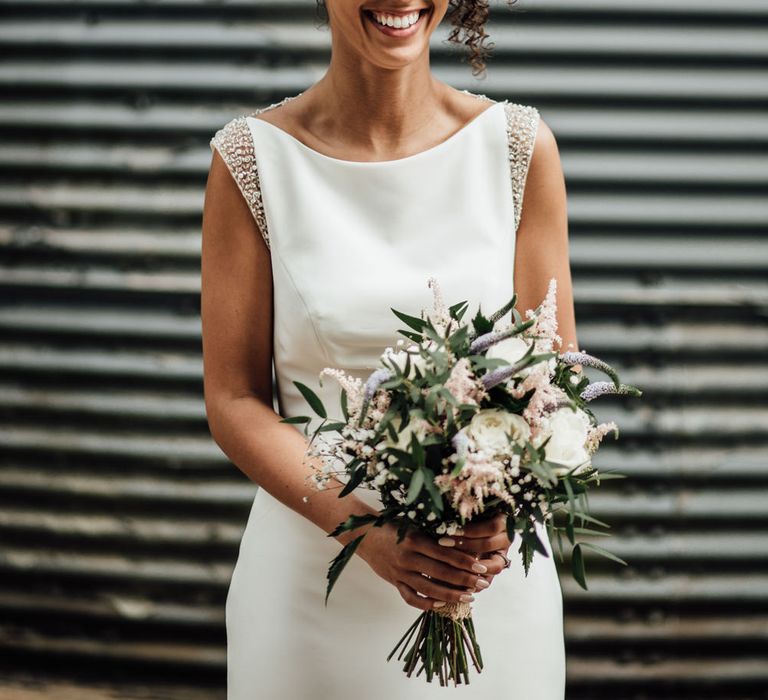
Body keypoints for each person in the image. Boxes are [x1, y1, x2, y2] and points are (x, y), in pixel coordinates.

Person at [201, 0, 578, 697]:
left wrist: (498, 519)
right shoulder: (250, 160)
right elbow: (232, 400)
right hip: (310, 593)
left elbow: (554, 389)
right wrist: (368, 532)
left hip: (489, 592)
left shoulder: (520, 148)